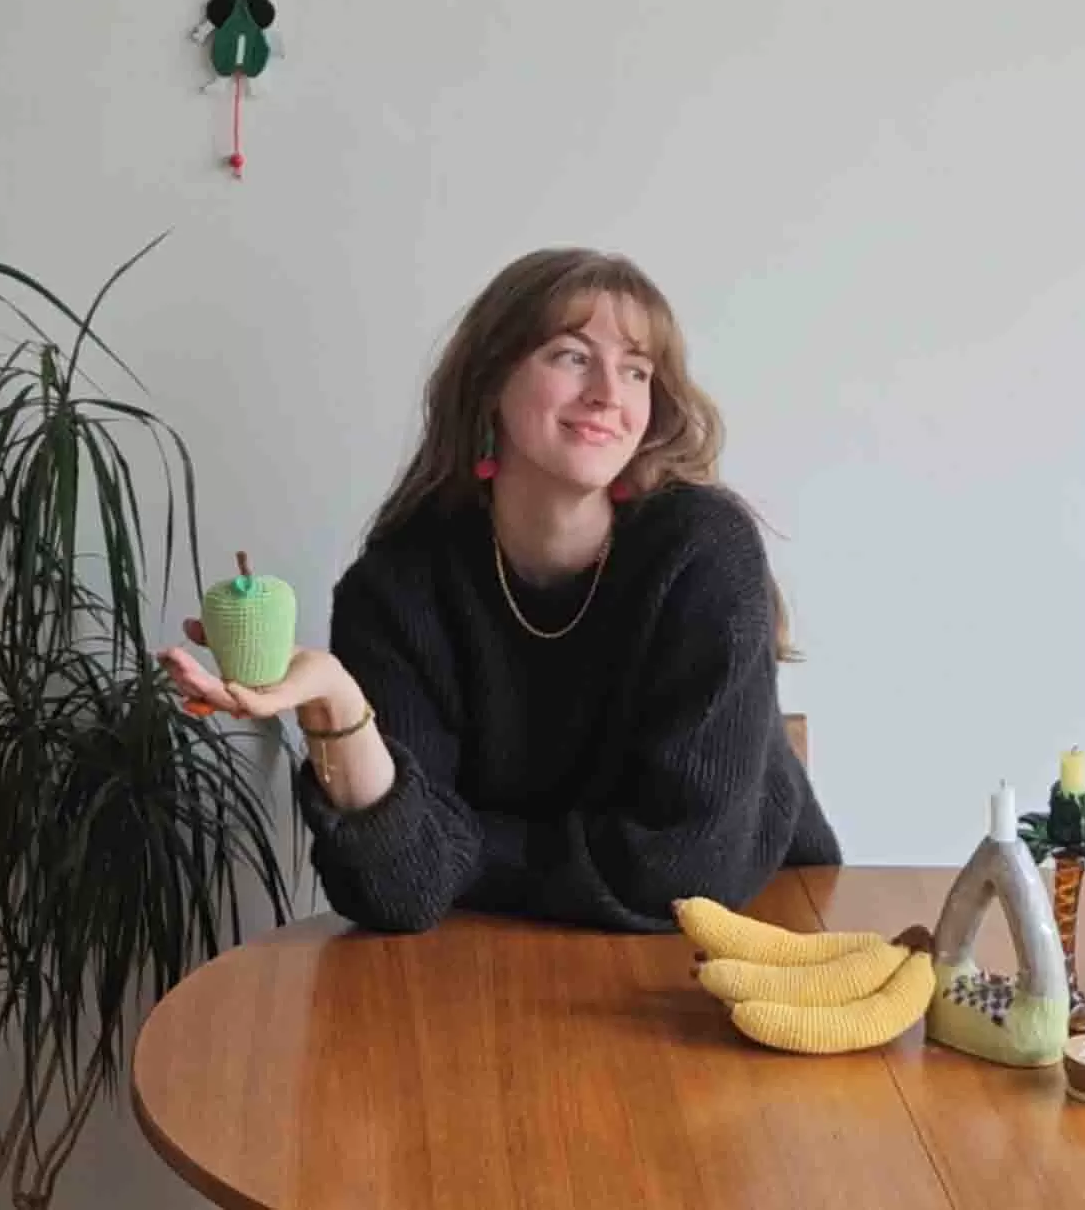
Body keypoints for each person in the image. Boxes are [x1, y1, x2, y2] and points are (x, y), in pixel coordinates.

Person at [160, 248, 840, 933]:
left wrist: (458, 848)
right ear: (492, 380)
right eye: (572, 356)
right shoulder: (395, 588)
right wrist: (337, 705)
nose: (609, 391)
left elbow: (690, 869)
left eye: (636, 369)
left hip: (754, 939)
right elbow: (398, 892)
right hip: (497, 953)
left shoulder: (703, 550)